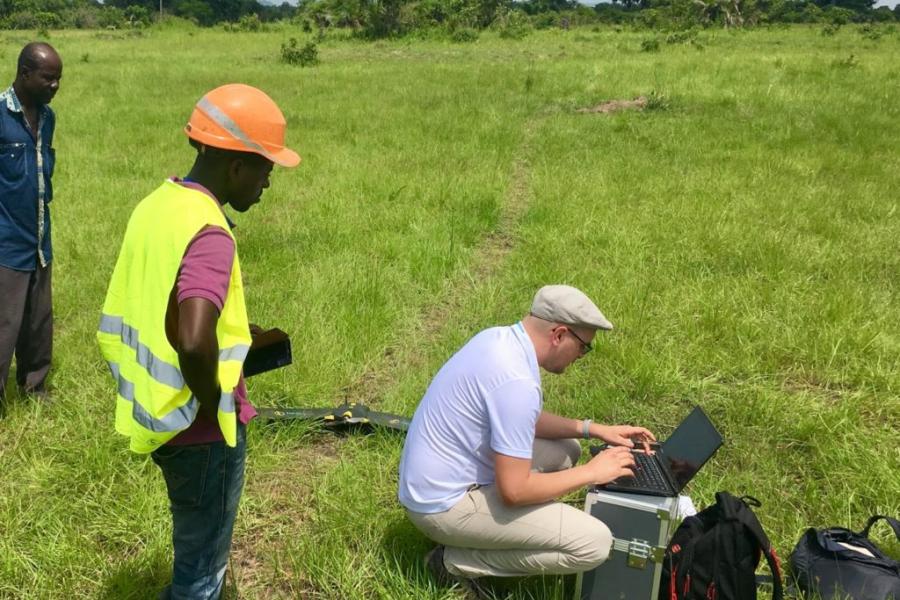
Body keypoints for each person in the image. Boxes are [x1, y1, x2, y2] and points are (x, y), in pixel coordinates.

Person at [96, 84, 300, 600]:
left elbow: (162, 302)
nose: (267, 183)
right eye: (266, 170)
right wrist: (215, 405)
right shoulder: (210, 233)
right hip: (199, 429)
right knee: (202, 573)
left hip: (158, 413)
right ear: (236, 166)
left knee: (193, 545)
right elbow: (192, 341)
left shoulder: (157, 204)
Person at [398, 284, 656, 597]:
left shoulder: (499, 339)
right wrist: (592, 472)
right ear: (559, 334)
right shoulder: (517, 381)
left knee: (566, 450)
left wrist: (594, 428)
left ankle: (497, 531)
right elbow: (515, 491)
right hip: (441, 508)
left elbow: (523, 418)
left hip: (430, 485)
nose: (581, 356)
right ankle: (453, 561)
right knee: (594, 544)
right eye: (583, 347)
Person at [0, 42, 63, 404]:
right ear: (25, 74)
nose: (55, 86)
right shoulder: (1, 115)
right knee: (4, 324)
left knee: (38, 320)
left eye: (58, 79)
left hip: (39, 236)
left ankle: (34, 387)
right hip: (6, 240)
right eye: (48, 78)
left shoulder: (48, 118)